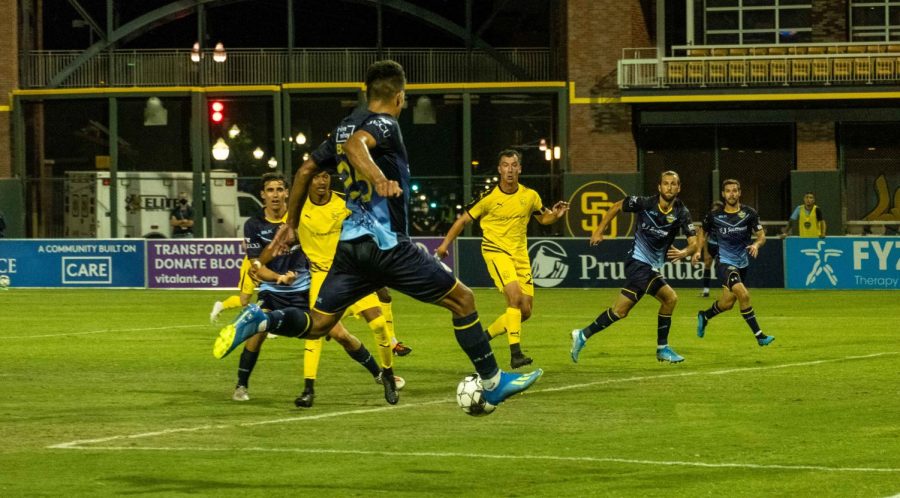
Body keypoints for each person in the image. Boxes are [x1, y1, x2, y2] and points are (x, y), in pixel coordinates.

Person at [262, 60, 542, 409]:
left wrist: (289, 221)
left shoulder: (343, 127)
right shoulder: (386, 124)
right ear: (399, 96)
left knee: (319, 324)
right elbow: (356, 148)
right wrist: (379, 177)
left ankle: (263, 319)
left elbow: (305, 169)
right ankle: (492, 380)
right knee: (463, 300)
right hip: (389, 245)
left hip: (350, 249)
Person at [213, 173, 398, 405]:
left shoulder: (298, 215)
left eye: (280, 190)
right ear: (262, 195)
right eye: (270, 190)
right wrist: (278, 276)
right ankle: (242, 385)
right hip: (274, 291)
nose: (275, 195)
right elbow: (258, 265)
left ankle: (379, 374)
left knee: (340, 334)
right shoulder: (254, 225)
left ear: (287, 193)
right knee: (257, 333)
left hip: (306, 288)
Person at [436, 148, 569, 369]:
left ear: (520, 168)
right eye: (505, 165)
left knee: (524, 311)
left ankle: (484, 337)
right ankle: (515, 354)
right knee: (514, 298)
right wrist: (444, 246)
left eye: (513, 165)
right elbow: (462, 221)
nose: (509, 169)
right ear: (499, 169)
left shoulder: (529, 196)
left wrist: (555, 215)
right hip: (496, 252)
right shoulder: (488, 197)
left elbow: (543, 218)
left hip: (520, 256)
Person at [295, 170, 408, 408]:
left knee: (378, 323)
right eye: (316, 177)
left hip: (351, 270)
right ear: (308, 181)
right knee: (316, 332)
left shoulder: (343, 204)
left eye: (325, 176)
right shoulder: (298, 208)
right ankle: (308, 389)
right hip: (321, 277)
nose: (322, 181)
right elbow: (285, 231)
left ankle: (387, 375)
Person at [569, 170, 698, 364]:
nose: (669, 187)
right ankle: (662, 348)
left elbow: (694, 243)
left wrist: (684, 253)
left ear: (679, 188)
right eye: (666, 183)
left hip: (649, 267)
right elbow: (616, 206)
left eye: (673, 184)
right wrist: (599, 230)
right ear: (659, 187)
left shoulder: (682, 212)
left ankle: (583, 335)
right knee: (670, 298)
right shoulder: (644, 203)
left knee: (620, 311)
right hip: (637, 263)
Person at [694, 179, 775, 347]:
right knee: (743, 294)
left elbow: (761, 236)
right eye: (728, 191)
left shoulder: (749, 213)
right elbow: (702, 231)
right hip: (725, 262)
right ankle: (760, 335)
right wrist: (697, 251)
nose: (731, 194)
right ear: (723, 194)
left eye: (734, 190)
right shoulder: (714, 216)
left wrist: (756, 244)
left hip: (742, 263)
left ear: (739, 193)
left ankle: (705, 316)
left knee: (727, 303)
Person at [699, 200, 724, 297]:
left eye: (717, 209)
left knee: (723, 269)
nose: (715, 210)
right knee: (707, 265)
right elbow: (705, 235)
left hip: (721, 247)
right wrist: (705, 251)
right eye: (713, 208)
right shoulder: (710, 218)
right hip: (711, 245)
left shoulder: (724, 220)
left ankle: (728, 290)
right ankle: (706, 291)